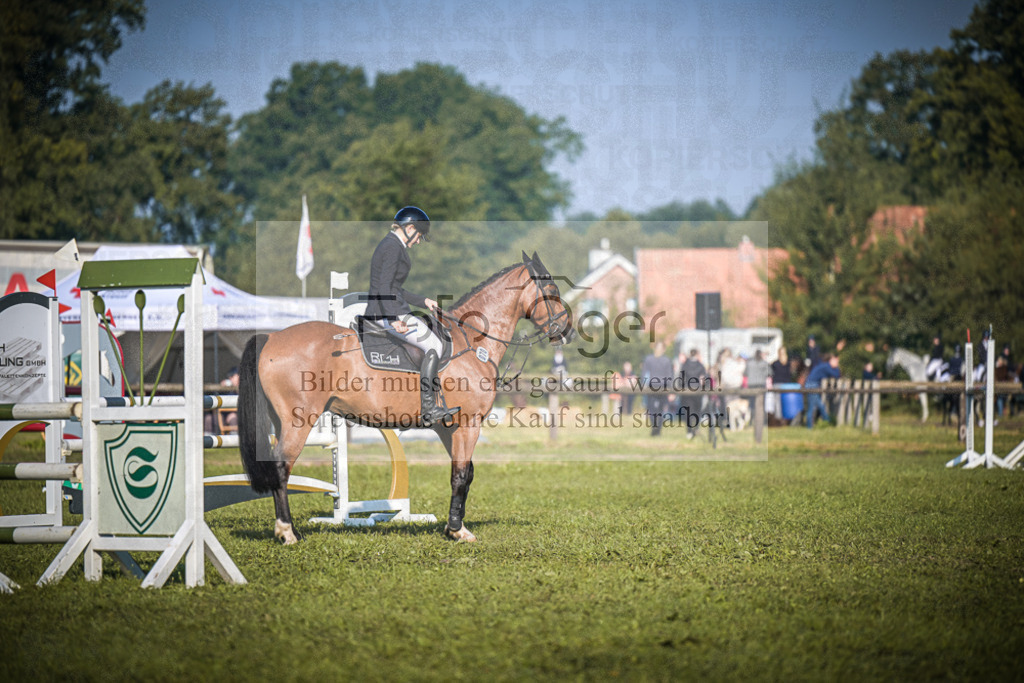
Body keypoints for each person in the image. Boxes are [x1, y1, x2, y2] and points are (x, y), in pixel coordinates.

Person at [365, 206, 456, 427]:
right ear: (410, 227)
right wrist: (394, 318)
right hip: (386, 312)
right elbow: (385, 287)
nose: (418, 241)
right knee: (434, 345)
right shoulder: (393, 248)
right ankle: (429, 408)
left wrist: (423, 301)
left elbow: (395, 288)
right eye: (419, 236)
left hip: (390, 308)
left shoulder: (391, 244)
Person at [641, 342, 674, 436]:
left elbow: (669, 375)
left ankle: (657, 428)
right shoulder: (649, 359)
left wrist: (670, 389)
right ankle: (656, 428)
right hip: (653, 386)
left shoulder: (666, 360)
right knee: (653, 409)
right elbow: (644, 373)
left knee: (658, 409)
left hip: (661, 387)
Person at [805, 354, 841, 428]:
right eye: (836, 361)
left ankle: (810, 426)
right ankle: (827, 423)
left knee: (814, 407)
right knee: (819, 406)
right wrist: (837, 367)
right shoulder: (826, 367)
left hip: (811, 385)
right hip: (812, 385)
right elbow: (837, 374)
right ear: (831, 360)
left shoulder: (824, 366)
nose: (837, 363)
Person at [678, 348, 707, 438]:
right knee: (697, 411)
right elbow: (703, 379)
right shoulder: (700, 366)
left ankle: (689, 430)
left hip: (687, 391)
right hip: (698, 391)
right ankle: (696, 427)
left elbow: (681, 378)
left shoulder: (684, 365)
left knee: (688, 412)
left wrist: (680, 388)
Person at [743, 349, 772, 415]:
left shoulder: (749, 363)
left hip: (752, 384)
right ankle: (762, 419)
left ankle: (752, 418)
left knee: (752, 402)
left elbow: (745, 373)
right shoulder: (764, 363)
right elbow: (770, 373)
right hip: (761, 384)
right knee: (761, 402)